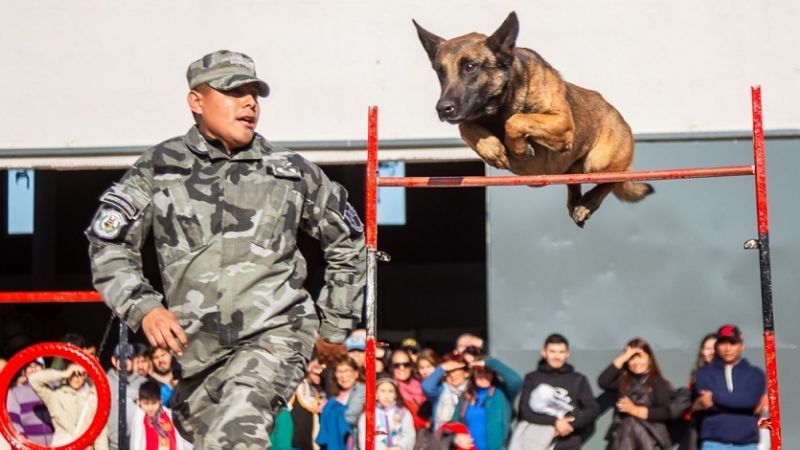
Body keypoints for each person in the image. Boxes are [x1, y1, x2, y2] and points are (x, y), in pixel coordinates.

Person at [85, 49, 366, 449]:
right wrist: (143, 306)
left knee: (235, 436)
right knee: (216, 438)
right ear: (196, 102)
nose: (250, 102)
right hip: (195, 355)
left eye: (254, 93)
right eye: (234, 92)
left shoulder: (289, 171)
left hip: (276, 334)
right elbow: (108, 242)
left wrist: (335, 323)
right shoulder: (158, 169)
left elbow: (348, 239)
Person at [513, 334, 598, 450]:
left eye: (561, 352)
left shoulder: (578, 379)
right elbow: (525, 411)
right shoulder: (532, 378)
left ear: (567, 354)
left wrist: (569, 426)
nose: (557, 356)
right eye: (552, 351)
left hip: (568, 443)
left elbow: (592, 409)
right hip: (536, 443)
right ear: (544, 352)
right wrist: (555, 422)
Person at [694, 324, 765, 450]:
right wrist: (741, 403)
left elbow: (751, 401)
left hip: (746, 445)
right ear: (716, 346)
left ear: (742, 346)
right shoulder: (704, 373)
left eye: (733, 343)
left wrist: (715, 397)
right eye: (723, 343)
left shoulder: (756, 374)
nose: (727, 348)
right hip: (714, 443)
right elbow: (707, 403)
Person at [598, 338, 676, 450]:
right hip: (623, 438)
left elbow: (666, 412)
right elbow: (603, 381)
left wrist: (635, 410)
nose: (636, 363)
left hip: (650, 438)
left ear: (649, 359)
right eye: (631, 359)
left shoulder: (657, 382)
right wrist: (624, 356)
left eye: (640, 357)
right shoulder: (623, 381)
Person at [28, 362, 109, 449]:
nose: (76, 377)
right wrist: (64, 374)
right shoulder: (55, 396)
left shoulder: (94, 397)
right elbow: (33, 379)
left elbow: (101, 432)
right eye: (73, 374)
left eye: (80, 374)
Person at [450, 354, 522, 450]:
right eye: (479, 372)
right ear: (473, 374)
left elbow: (516, 381)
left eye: (487, 372)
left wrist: (490, 363)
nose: (483, 376)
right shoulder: (466, 396)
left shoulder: (502, 393)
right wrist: (455, 438)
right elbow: (454, 424)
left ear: (493, 374)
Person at [317, 356, 365, 450]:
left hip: (352, 443)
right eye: (340, 371)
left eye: (347, 370)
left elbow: (351, 416)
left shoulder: (361, 390)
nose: (343, 376)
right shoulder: (333, 396)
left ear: (356, 373)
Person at [131, 380, 192, 450]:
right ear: (140, 402)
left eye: (154, 403)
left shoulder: (168, 415)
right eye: (146, 403)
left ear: (160, 400)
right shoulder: (139, 419)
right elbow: (136, 443)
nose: (150, 408)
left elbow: (178, 439)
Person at [107, 342, 147, 450]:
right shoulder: (104, 381)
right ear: (113, 360)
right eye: (121, 357)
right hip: (109, 444)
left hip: (136, 444)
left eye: (128, 358)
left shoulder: (143, 383)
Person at [6, 358, 55, 445]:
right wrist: (26, 445)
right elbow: (14, 423)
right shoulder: (15, 392)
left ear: (43, 367)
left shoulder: (55, 388)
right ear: (24, 371)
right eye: (29, 366)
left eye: (37, 365)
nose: (33, 369)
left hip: (59, 444)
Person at [358, 376, 416, 450]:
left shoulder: (403, 413)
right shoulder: (368, 415)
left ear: (396, 395)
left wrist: (399, 447)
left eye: (391, 391)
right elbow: (364, 439)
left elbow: (409, 435)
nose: (386, 395)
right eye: (382, 391)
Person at [422, 353, 471, 432]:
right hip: (443, 440)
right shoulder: (441, 391)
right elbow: (426, 387)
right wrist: (442, 367)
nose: (452, 375)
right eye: (448, 372)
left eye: (455, 371)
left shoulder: (473, 391)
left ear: (466, 373)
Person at [290, 357, 327, 450]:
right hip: (293, 443)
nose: (319, 375)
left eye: (322, 372)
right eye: (315, 373)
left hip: (310, 444)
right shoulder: (297, 387)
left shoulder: (321, 390)